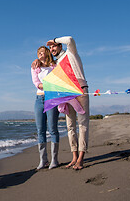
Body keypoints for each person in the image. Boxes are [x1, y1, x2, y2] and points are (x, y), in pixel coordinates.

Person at [41, 36, 90, 170]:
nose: (52, 49)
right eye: (50, 48)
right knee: (70, 126)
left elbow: (70, 39)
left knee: (83, 124)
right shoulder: (57, 63)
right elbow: (44, 64)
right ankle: (74, 156)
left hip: (80, 89)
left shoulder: (71, 53)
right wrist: (36, 60)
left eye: (54, 46)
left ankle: (81, 158)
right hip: (66, 94)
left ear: (60, 46)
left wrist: (55, 40)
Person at [31, 46, 60, 170]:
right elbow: (37, 83)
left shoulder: (54, 66)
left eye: (43, 52)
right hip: (39, 99)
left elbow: (58, 81)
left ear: (47, 53)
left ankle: (54, 160)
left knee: (52, 128)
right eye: (39, 53)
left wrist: (49, 86)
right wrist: (49, 85)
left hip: (52, 99)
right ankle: (43, 160)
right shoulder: (35, 67)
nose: (41, 54)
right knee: (40, 130)